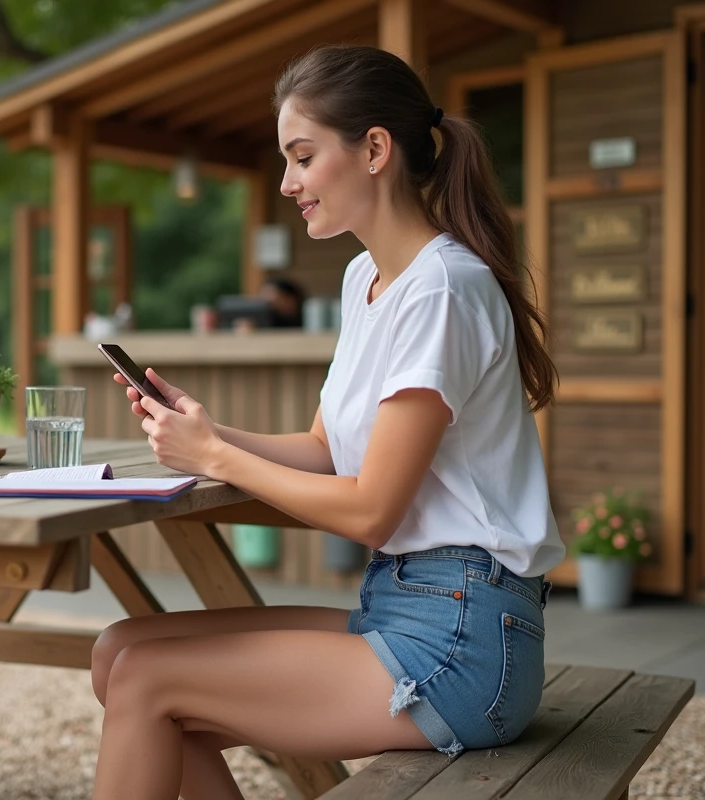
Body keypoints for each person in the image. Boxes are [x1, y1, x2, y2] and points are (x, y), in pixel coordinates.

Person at [92, 44, 564, 800]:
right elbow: (322, 448)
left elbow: (373, 507)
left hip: (465, 639)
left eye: (302, 157)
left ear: (374, 149)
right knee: (118, 653)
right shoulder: (364, 279)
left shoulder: (441, 290)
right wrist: (205, 432)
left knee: (148, 680)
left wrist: (216, 457)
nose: (287, 183)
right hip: (403, 604)